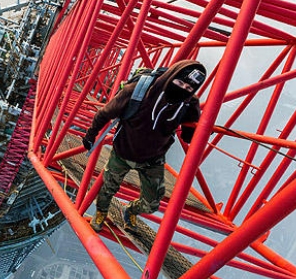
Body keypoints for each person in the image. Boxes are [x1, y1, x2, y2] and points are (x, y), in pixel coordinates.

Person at [82, 59, 206, 230]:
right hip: (123, 152)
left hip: (152, 159)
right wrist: (91, 134)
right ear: (171, 77)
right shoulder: (140, 90)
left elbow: (188, 135)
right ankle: (101, 213)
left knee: (152, 203)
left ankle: (131, 209)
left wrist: (197, 129)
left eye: (189, 88)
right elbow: (106, 113)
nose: (182, 89)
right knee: (107, 189)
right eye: (179, 82)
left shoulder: (188, 103)